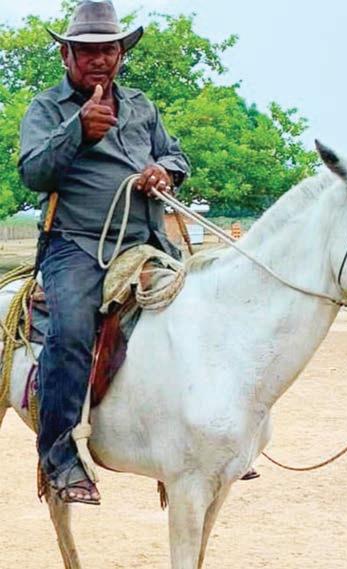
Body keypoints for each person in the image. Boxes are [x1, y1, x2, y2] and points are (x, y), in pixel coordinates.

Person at [18, 0, 190, 505]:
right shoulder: (47, 108)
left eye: (108, 49)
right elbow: (33, 173)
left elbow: (175, 154)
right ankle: (58, 457)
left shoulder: (141, 105)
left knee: (204, 315)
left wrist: (165, 171)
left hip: (148, 242)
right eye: (87, 51)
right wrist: (77, 131)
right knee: (71, 330)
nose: (99, 59)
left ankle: (201, 438)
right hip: (77, 245)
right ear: (66, 55)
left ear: (120, 54)